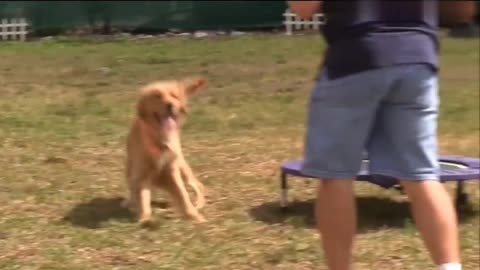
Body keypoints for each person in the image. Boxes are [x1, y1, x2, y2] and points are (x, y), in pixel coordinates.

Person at [287, 1, 461, 270]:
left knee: (336, 177)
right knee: (422, 175)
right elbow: (462, 11)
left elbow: (304, 8)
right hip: (418, 57)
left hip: (358, 54)